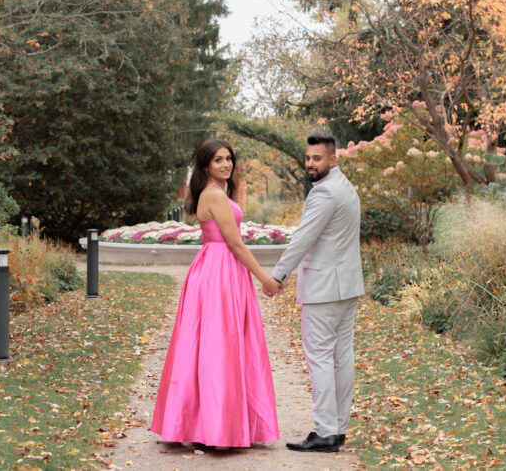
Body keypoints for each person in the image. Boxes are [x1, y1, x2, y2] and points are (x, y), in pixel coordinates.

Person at [150, 138, 281, 448]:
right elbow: (235, 244)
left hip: (216, 269)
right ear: (206, 165)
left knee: (208, 345)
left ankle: (206, 423)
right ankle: (215, 427)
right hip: (220, 272)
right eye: (218, 160)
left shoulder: (212, 194)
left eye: (228, 158)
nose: (226, 164)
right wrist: (265, 278)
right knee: (218, 346)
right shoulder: (215, 196)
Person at [271, 131, 363, 453]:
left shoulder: (324, 193)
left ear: (332, 160)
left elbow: (303, 238)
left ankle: (325, 431)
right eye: (308, 158)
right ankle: (337, 429)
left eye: (317, 158)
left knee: (321, 358)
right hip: (346, 286)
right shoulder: (345, 186)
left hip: (325, 290)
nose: (310, 163)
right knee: (340, 357)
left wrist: (279, 274)